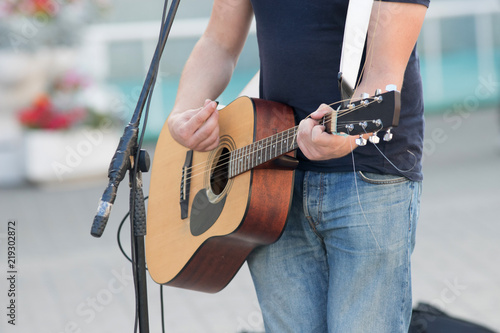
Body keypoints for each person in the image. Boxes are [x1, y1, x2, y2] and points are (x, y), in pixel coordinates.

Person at [166, 0, 428, 332]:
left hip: (367, 174)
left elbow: (383, 74)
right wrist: (183, 114)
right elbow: (218, 41)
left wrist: (345, 137)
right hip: (267, 184)